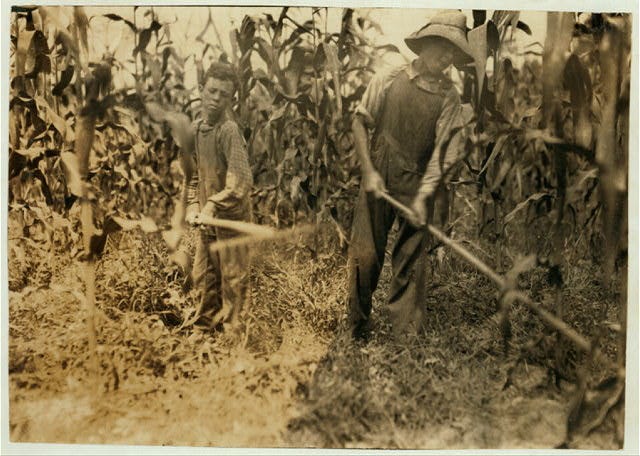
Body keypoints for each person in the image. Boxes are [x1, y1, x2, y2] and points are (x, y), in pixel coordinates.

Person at [348, 11, 474, 339]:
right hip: (378, 170)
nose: (446, 58)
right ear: (426, 44)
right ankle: (357, 325)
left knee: (411, 260)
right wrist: (369, 172)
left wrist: (423, 197)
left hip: (417, 180)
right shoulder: (390, 77)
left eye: (453, 53)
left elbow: (442, 153)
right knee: (366, 254)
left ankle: (402, 337)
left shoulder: (450, 98)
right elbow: (360, 123)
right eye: (442, 47)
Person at [185, 61, 253, 331]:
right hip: (208, 222)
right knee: (203, 277)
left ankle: (233, 340)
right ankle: (203, 330)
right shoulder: (196, 130)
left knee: (233, 281)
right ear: (202, 89)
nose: (216, 99)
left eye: (224, 95)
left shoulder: (229, 131)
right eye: (212, 91)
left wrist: (213, 204)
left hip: (231, 223)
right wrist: (193, 205)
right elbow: (193, 177)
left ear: (232, 99)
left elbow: (240, 182)